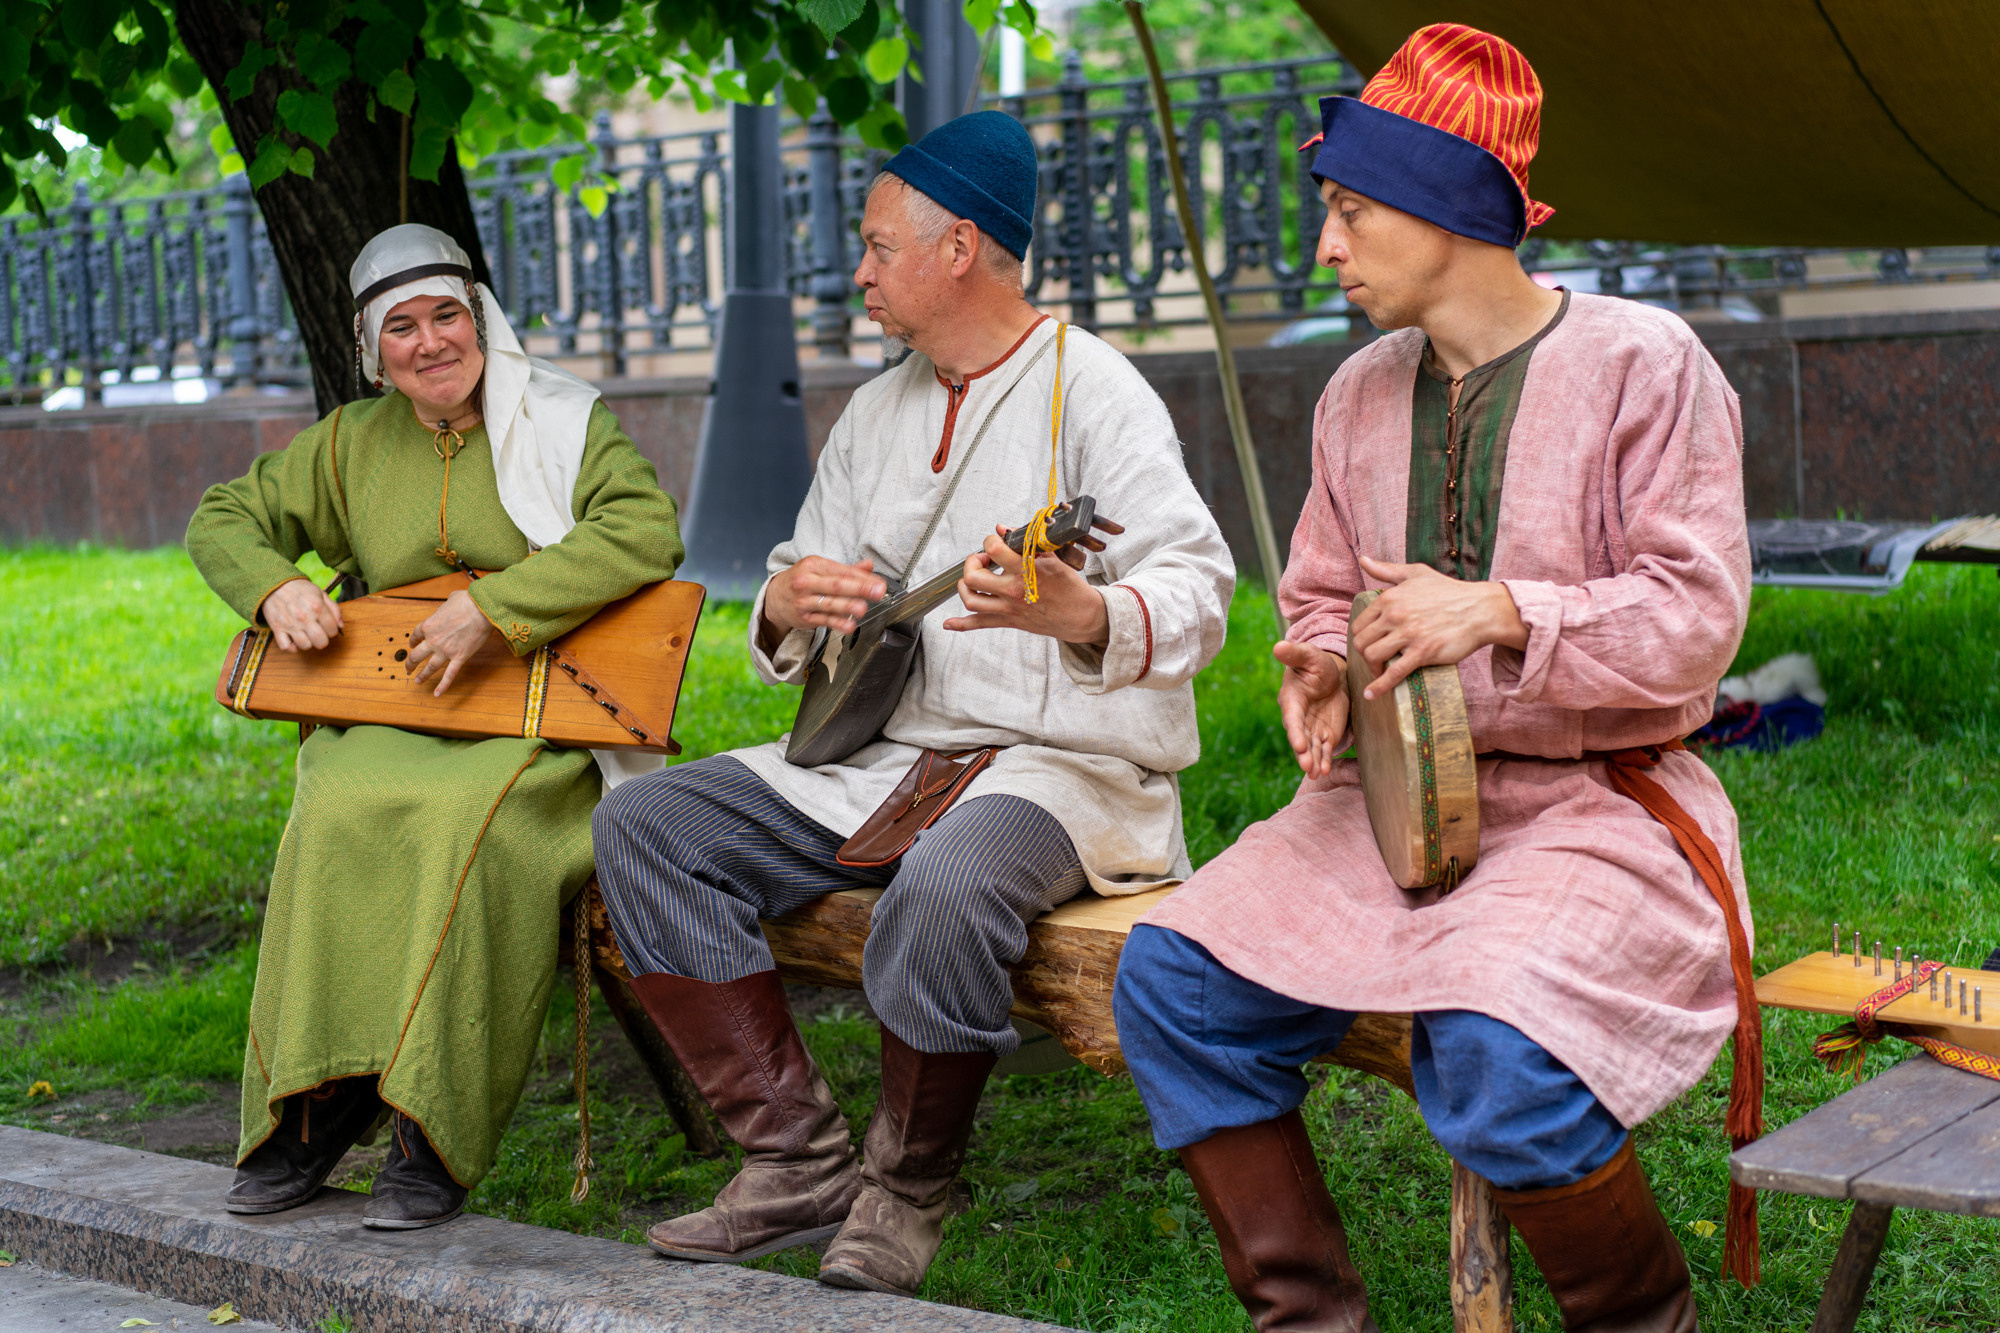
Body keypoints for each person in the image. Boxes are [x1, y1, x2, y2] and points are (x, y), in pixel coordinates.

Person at [1112, 25, 1758, 1333]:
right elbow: (1318, 600)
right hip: (1387, 807)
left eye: (1351, 212)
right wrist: (1322, 673)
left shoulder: (1646, 363)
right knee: (1172, 983)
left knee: (1497, 1059)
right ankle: (1312, 1319)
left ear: (1443, 208)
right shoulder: (1358, 394)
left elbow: (1698, 619)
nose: (1329, 247)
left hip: (1601, 810)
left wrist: (1508, 610)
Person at [592, 110, 1234, 1297]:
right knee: (644, 825)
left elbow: (1200, 590)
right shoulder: (880, 408)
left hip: (1059, 765)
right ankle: (790, 1160)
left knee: (941, 887)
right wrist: (787, 599)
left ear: (958, 248)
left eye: (879, 245)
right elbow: (803, 582)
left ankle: (907, 1184)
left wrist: (1082, 614)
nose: (860, 271)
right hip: (884, 756)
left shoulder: (1093, 391)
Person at [187, 224, 683, 1229]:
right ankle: (319, 1105)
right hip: (394, 706)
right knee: (334, 808)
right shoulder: (347, 444)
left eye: (446, 314)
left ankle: (430, 1131)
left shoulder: (562, 419)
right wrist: (275, 587)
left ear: (479, 318)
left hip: (540, 718)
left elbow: (644, 530)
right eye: (402, 327)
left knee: (466, 823)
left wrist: (498, 610)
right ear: (375, 348)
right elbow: (220, 518)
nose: (430, 342)